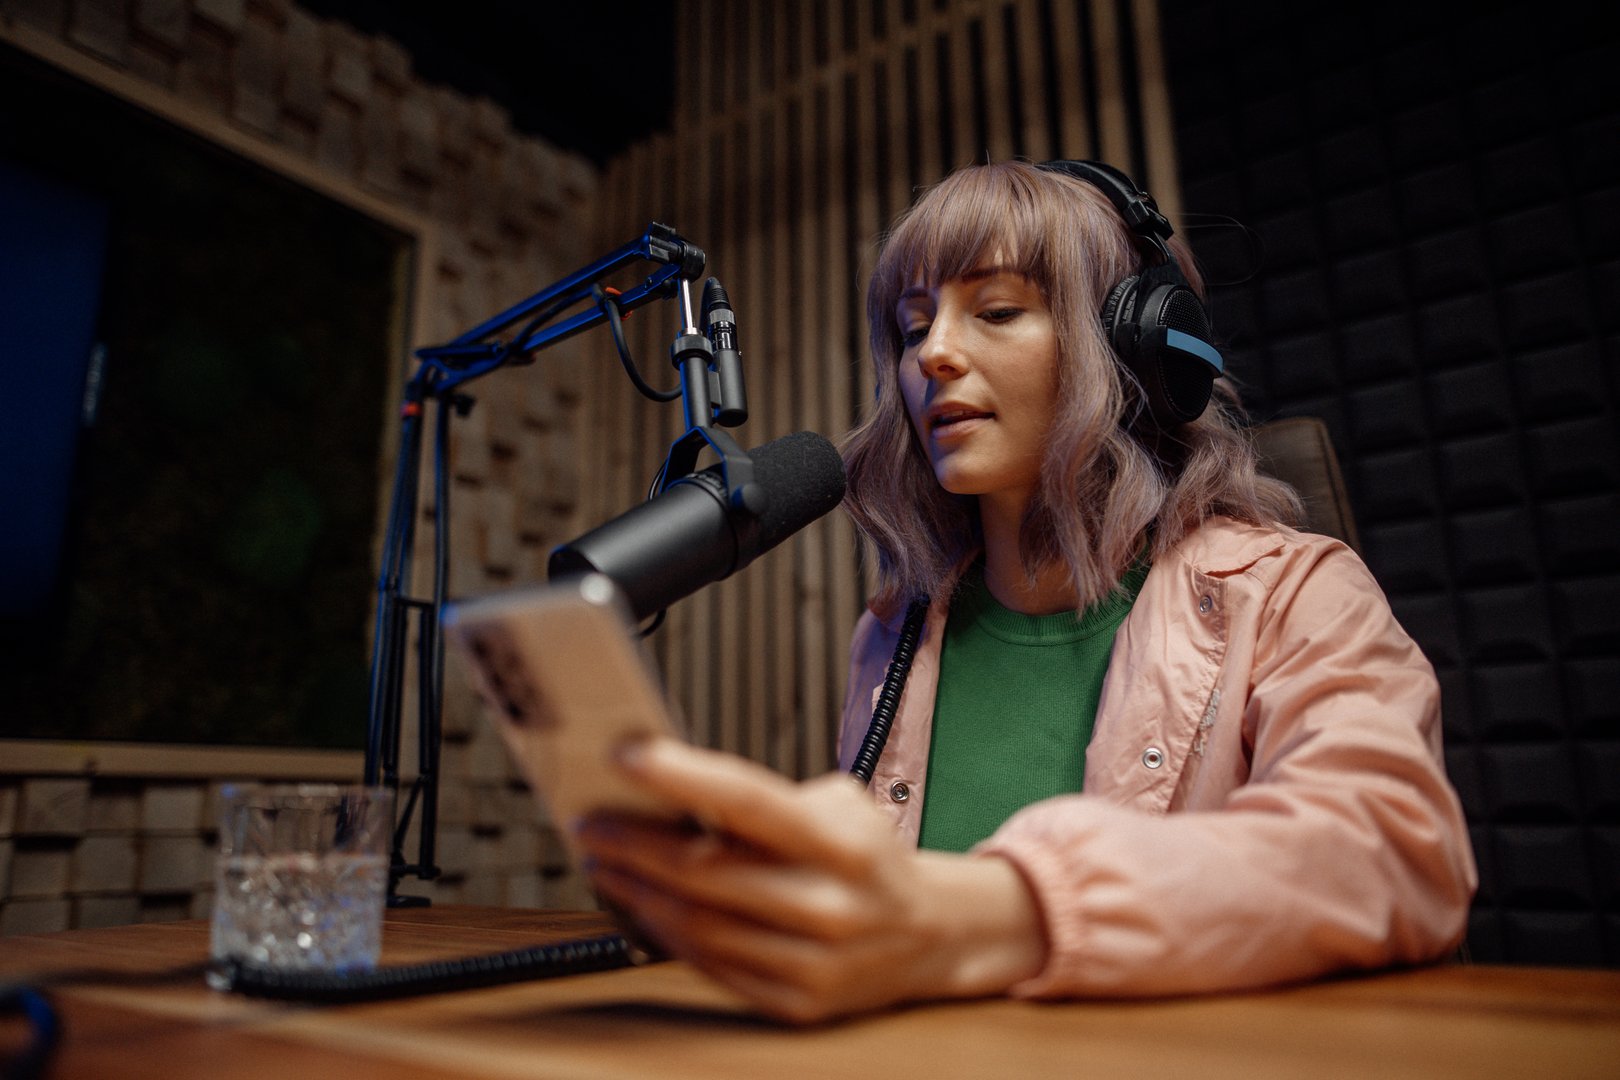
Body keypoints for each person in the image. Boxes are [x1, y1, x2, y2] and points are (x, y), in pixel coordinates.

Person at [576, 160, 1477, 1023]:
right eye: (912, 324)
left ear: (1135, 344)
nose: (933, 354)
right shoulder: (894, 632)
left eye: (996, 310)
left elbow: (1395, 851)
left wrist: (1010, 912)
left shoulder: (1292, 592)